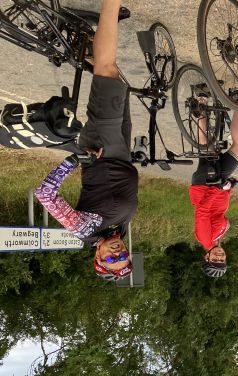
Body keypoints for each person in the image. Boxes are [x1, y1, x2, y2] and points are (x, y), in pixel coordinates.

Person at [34, 0, 136, 281]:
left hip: (100, 149)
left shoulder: (85, 230)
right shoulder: (116, 231)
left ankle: (109, 7)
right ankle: (90, 36)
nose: (118, 253)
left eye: (111, 259)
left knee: (108, 71)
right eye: (124, 257)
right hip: (120, 153)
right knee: (118, 85)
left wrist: (73, 161)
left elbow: (45, 195)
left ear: (98, 256)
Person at [189, 93, 238, 277]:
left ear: (207, 257)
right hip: (216, 185)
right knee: (215, 148)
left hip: (206, 185)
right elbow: (218, 211)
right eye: (222, 260)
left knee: (231, 147)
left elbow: (203, 210)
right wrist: (228, 189)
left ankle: (206, 104)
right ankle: (210, 104)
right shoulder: (217, 239)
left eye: (215, 260)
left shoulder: (205, 238)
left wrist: (218, 189)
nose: (219, 257)